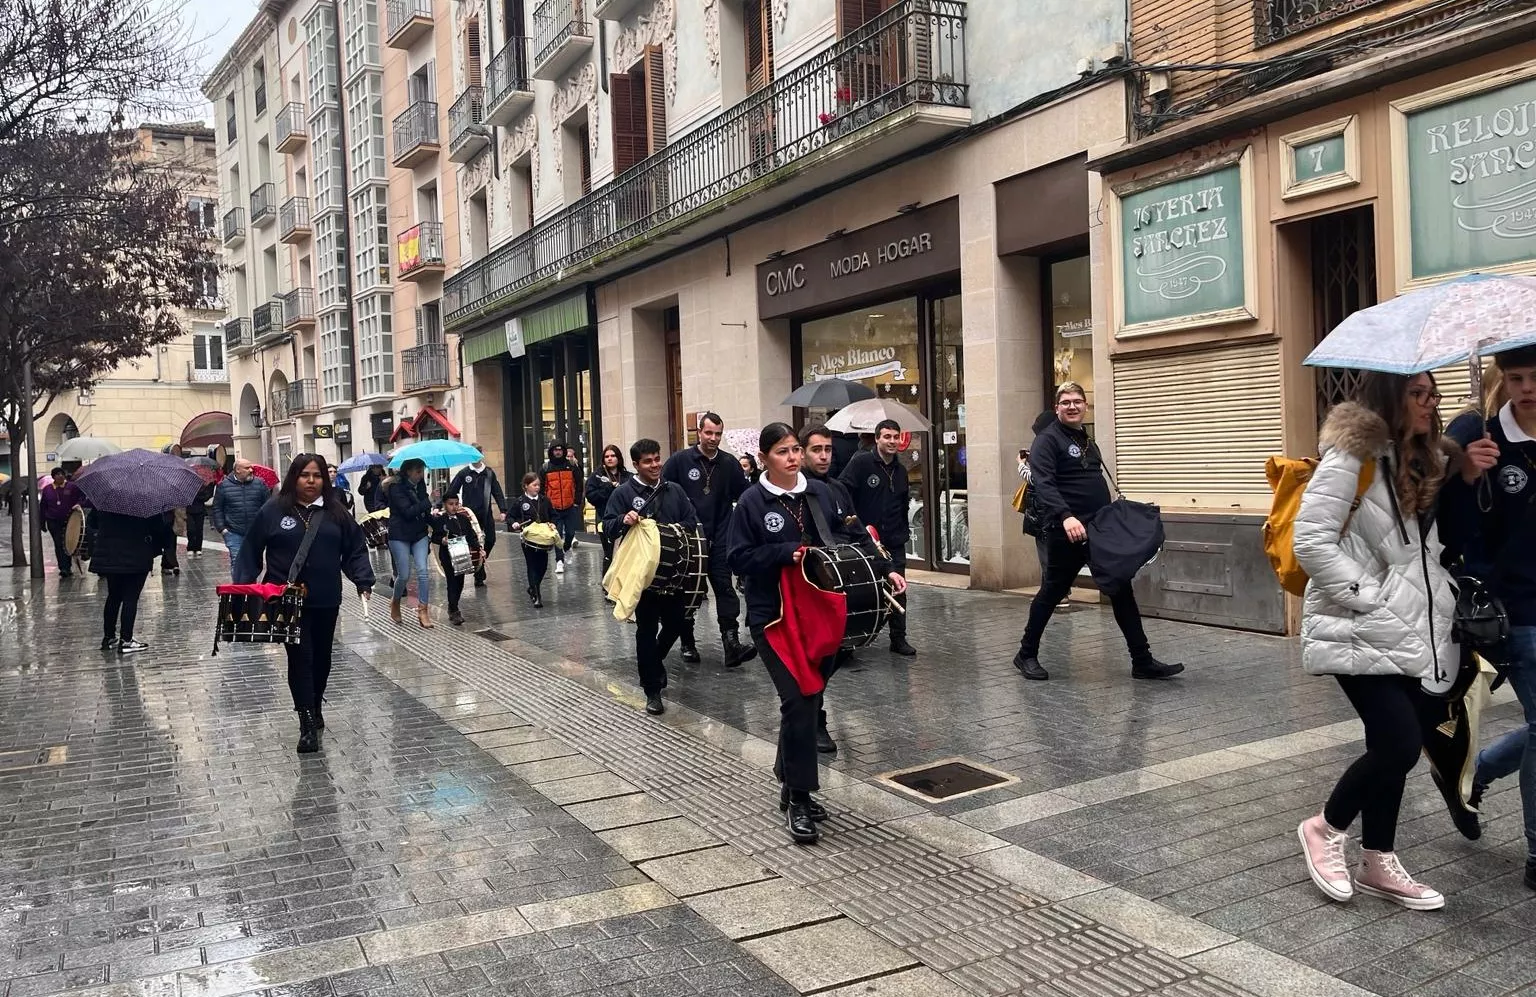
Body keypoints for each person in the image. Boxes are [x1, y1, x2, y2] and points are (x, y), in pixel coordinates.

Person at [1293, 371, 1496, 911]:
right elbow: (1310, 540)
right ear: (1389, 397)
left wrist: (1468, 478)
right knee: (1400, 744)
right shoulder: (1352, 456)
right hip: (1358, 623)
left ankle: (1378, 859)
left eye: (1433, 395)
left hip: (1416, 626)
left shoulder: (1431, 459)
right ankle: (1324, 827)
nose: (1429, 405)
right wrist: (1368, 596)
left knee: (1393, 749)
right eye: (1416, 395)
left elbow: (1451, 541)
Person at [728, 423, 905, 845]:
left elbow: (855, 537)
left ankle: (788, 777)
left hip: (821, 616)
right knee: (799, 698)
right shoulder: (753, 502)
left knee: (806, 701)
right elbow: (737, 556)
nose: (792, 457)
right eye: (783, 452)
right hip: (773, 617)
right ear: (766, 457)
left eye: (795, 450)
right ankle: (801, 800)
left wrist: (887, 570)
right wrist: (783, 553)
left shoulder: (823, 493)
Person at [1012, 384, 1182, 681]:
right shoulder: (1047, 440)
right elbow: (1045, 483)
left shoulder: (1085, 438)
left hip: (1097, 529)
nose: (1072, 406)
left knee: (1120, 589)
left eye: (1078, 401)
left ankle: (1141, 661)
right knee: (1052, 592)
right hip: (1067, 532)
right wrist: (1066, 516)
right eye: (1066, 402)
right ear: (1057, 408)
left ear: (1086, 406)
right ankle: (1026, 654)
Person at [1443, 347, 1536, 890]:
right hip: (1516, 609)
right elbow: (1452, 530)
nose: (1527, 389)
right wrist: (1464, 475)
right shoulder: (1477, 432)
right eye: (1517, 378)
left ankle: (1476, 768)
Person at [232, 453, 375, 754]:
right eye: (304, 475)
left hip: (326, 597)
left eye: (317, 476)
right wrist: (244, 584)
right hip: (285, 600)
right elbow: (251, 547)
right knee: (301, 657)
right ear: (294, 477)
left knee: (322, 657)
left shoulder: (336, 511)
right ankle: (306, 720)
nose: (311, 481)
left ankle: (316, 702)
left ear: (325, 479)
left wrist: (363, 579)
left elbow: (355, 549)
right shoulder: (274, 510)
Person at [603, 439, 699, 716]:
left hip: (674, 573)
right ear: (636, 464)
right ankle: (652, 691)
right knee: (645, 630)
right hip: (643, 578)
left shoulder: (674, 490)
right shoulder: (623, 493)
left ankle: (653, 662)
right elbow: (607, 526)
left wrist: (672, 532)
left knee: (678, 623)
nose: (655, 465)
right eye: (648, 461)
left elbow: (691, 521)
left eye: (657, 459)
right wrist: (624, 520)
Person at [662, 412, 755, 667]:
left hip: (721, 535)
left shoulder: (729, 463)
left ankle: (731, 643)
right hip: (690, 539)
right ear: (699, 433)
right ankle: (688, 642)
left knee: (725, 587)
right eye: (709, 433)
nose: (713, 438)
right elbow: (664, 493)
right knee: (688, 591)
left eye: (718, 434)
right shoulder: (680, 461)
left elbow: (745, 496)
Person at [801, 424, 870, 754]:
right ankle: (814, 720)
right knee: (814, 659)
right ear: (802, 452)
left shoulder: (840, 488)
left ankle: (811, 712)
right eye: (817, 450)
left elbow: (856, 530)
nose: (824, 455)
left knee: (836, 653)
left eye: (828, 449)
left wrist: (883, 567)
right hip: (809, 585)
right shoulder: (798, 490)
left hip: (840, 582)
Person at [840, 419, 916, 656]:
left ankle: (898, 638)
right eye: (887, 437)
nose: (892, 441)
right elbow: (842, 492)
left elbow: (902, 504)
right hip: (866, 541)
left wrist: (903, 530)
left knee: (898, 589)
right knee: (861, 590)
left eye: (895, 437)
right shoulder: (861, 463)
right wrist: (853, 524)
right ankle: (851, 639)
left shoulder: (901, 470)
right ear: (877, 438)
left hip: (894, 539)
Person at [90, 508, 168, 655]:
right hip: (136, 555)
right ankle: (126, 640)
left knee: (113, 596)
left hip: (110, 555)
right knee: (130, 598)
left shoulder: (105, 500)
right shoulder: (144, 502)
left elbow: (92, 522)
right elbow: (158, 528)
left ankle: (109, 637)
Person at [447, 445, 508, 587]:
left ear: (481, 454)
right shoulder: (464, 473)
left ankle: (480, 565)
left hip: (486, 514)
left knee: (491, 540)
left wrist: (503, 510)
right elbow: (452, 490)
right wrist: (442, 506)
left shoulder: (489, 473)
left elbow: (497, 492)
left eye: (477, 453)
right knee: (473, 543)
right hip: (469, 516)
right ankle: (478, 572)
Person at [386, 457, 436, 628]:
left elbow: (424, 511)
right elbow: (408, 512)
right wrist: (428, 501)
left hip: (419, 534)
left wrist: (437, 520)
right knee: (404, 575)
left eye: (422, 471)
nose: (421, 475)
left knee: (423, 571)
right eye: (418, 472)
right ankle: (395, 601)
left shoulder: (421, 486)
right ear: (408, 471)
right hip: (399, 534)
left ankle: (423, 610)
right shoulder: (395, 488)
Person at [432, 493, 483, 626]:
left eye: (456, 504)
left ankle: (453, 605)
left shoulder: (463, 519)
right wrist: (442, 540)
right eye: (450, 504)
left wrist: (478, 548)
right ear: (445, 505)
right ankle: (454, 610)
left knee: (460, 582)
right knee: (452, 581)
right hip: (448, 556)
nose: (454, 507)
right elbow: (434, 537)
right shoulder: (441, 520)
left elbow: (471, 535)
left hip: (462, 553)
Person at [509, 472, 558, 608]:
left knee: (542, 566)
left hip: (543, 539)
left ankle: (532, 587)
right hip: (528, 539)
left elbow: (553, 515)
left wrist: (553, 523)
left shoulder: (545, 500)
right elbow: (511, 516)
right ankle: (536, 595)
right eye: (534, 485)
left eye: (538, 485)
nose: (537, 488)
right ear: (526, 486)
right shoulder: (520, 502)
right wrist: (514, 523)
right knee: (531, 565)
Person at [212, 458, 271, 569]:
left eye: (251, 467)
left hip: (255, 532)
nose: (251, 470)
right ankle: (239, 586)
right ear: (237, 470)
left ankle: (251, 585)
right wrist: (222, 528)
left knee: (254, 562)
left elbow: (268, 506)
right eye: (247, 468)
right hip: (233, 532)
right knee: (237, 561)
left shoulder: (260, 484)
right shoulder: (224, 486)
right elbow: (217, 508)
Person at [586, 445, 628, 570]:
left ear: (618, 458)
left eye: (613, 456)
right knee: (609, 553)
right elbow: (591, 496)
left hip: (624, 519)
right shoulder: (597, 476)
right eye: (607, 456)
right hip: (605, 518)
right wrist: (608, 488)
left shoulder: (627, 476)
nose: (610, 459)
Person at [541, 441, 583, 561]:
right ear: (551, 451)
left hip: (570, 506)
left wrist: (576, 502)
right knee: (557, 535)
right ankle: (559, 560)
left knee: (570, 532)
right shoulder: (545, 468)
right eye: (555, 450)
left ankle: (566, 547)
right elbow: (542, 489)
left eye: (560, 449)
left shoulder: (571, 466)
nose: (558, 452)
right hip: (554, 508)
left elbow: (579, 484)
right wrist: (545, 507)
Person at [39, 467, 82, 578]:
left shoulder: (72, 487)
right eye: (57, 474)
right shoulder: (48, 489)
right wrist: (42, 522)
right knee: (58, 544)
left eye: (62, 474)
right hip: (53, 521)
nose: (60, 476)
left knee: (68, 543)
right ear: (53, 477)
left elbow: (80, 499)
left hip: (69, 520)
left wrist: (78, 505)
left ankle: (67, 566)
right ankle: (63, 568)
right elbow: (43, 506)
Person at [185, 479, 216, 557]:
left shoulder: (203, 486)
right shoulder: (186, 486)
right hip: (189, 510)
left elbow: (206, 496)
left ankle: (198, 548)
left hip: (200, 510)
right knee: (191, 529)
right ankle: (190, 547)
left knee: (199, 530)